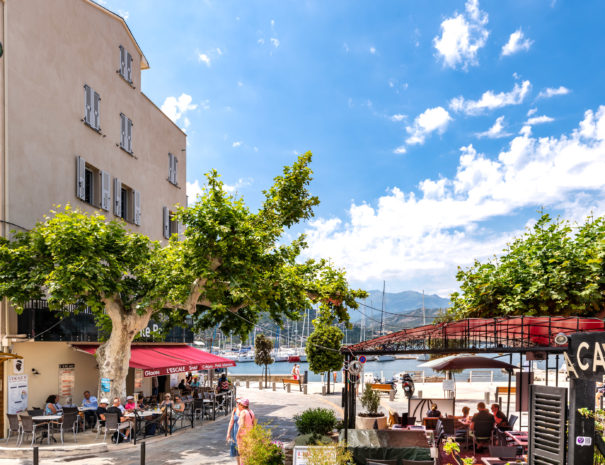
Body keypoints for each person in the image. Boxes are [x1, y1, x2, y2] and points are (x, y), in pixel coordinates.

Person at [226, 399, 243, 464]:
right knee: (237, 451)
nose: (238, 404)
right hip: (235, 432)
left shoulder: (245, 411)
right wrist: (228, 433)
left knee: (241, 450)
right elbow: (231, 422)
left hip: (242, 433)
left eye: (239, 403)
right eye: (237, 403)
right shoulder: (235, 410)